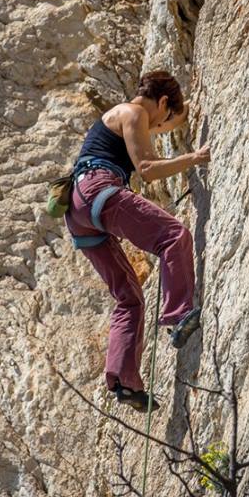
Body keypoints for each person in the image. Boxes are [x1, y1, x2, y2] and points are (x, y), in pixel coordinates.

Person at [64, 70, 209, 412]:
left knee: (129, 299)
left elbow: (164, 126)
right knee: (174, 235)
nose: (162, 125)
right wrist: (194, 158)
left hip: (79, 213)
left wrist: (188, 103)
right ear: (161, 103)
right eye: (166, 112)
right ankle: (179, 314)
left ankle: (124, 380)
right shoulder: (133, 113)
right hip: (99, 190)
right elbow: (147, 167)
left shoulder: (126, 117)